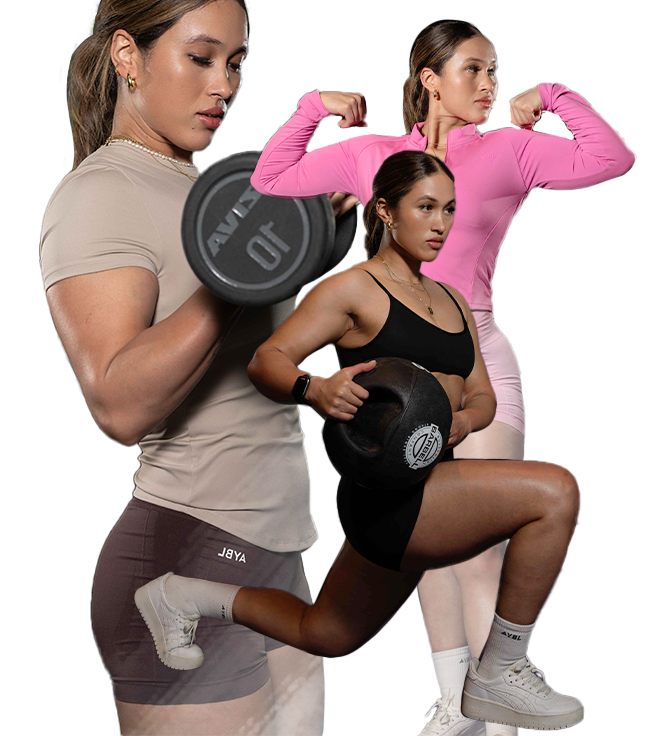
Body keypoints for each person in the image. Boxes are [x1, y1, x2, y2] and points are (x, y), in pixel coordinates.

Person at [247, 21, 635, 735]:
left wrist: (549, 94)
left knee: (484, 541)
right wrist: (312, 109)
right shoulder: (376, 159)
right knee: (430, 544)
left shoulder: (508, 150)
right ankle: (454, 701)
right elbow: (268, 181)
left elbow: (614, 157)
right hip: (396, 364)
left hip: (475, 349)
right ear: (428, 77)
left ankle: (500, 709)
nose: (489, 85)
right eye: (475, 70)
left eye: (495, 72)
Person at [137, 150, 584, 734]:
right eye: (425, 207)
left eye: (449, 209)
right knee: (555, 492)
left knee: (326, 634)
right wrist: (315, 388)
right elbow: (265, 361)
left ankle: (182, 595)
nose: (441, 223)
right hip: (388, 496)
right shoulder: (353, 289)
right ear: (385, 211)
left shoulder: (453, 303)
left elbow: (483, 397)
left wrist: (466, 423)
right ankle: (500, 667)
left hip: (429, 482)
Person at [39, 0, 324, 736]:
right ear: (128, 55)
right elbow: (118, 403)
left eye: (234, 63)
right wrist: (235, 281)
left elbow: (262, 377)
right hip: (185, 557)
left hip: (279, 561)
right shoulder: (99, 192)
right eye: (198, 58)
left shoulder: (211, 191)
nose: (223, 85)